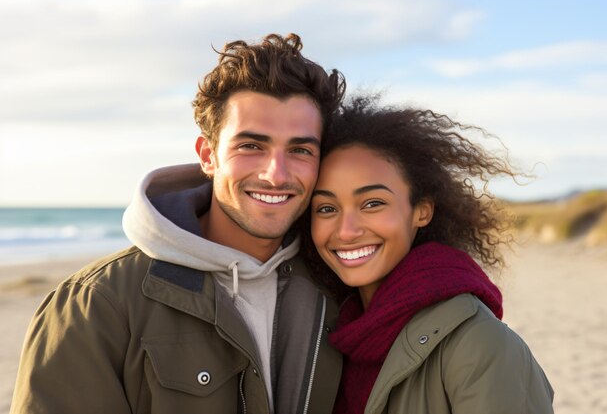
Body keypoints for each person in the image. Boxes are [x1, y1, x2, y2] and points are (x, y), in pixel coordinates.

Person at [11, 33, 346, 414]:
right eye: (251, 146)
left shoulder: (338, 289)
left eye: (300, 150)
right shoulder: (98, 303)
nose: (276, 174)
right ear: (208, 155)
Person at [303, 97, 555, 414]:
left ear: (421, 211)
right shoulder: (326, 342)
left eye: (372, 203)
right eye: (326, 208)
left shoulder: (480, 344)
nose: (346, 230)